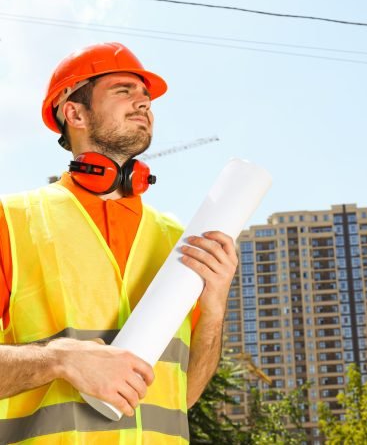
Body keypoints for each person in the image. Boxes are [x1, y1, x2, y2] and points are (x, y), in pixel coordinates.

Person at [0, 42, 238, 444]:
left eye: (146, 97)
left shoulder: (177, 239)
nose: (143, 103)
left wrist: (214, 307)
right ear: (74, 112)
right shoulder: (13, 222)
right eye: (124, 91)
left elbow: (183, 397)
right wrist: (60, 358)